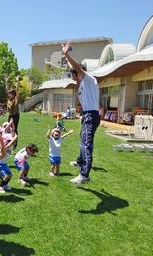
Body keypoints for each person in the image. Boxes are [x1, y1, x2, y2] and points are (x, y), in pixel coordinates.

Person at [62, 41, 101, 184]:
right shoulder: (82, 85)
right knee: (82, 140)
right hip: (88, 115)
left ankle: (84, 175)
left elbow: (77, 67)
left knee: (86, 144)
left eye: (74, 76)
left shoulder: (89, 80)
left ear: (79, 74)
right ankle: (80, 161)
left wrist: (67, 54)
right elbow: (74, 67)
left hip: (91, 115)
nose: (74, 80)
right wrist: (66, 57)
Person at [6, 76, 21, 148]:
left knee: (14, 128)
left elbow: (17, 90)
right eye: (9, 94)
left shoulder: (16, 99)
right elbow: (7, 90)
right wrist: (6, 82)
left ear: (13, 94)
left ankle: (15, 143)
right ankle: (9, 140)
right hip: (10, 115)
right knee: (8, 128)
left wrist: (17, 82)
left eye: (10, 93)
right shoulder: (9, 99)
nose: (9, 94)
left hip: (15, 115)